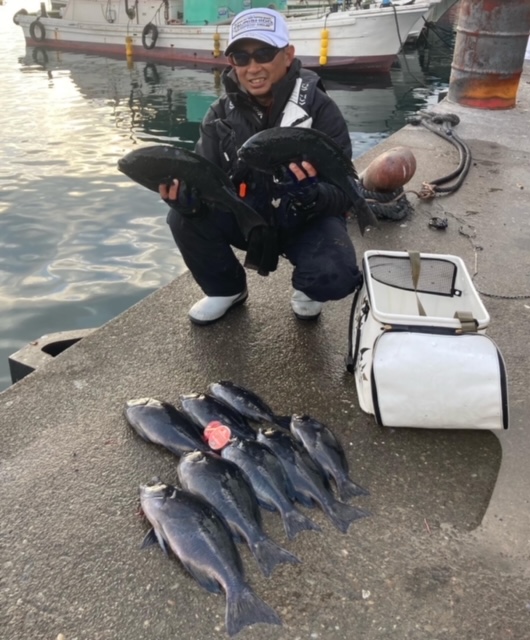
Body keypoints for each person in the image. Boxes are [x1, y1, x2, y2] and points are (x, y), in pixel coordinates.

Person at [160, 7, 363, 325]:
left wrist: (312, 193)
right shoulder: (218, 114)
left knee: (334, 273)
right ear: (231, 63)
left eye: (264, 53)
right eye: (241, 57)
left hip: (304, 218)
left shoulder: (321, 109)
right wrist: (188, 200)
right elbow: (206, 177)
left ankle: (309, 289)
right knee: (181, 218)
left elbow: (344, 191)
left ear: (288, 55)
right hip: (247, 216)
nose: (253, 67)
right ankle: (226, 289)